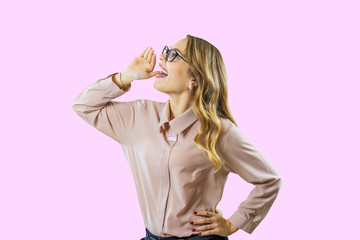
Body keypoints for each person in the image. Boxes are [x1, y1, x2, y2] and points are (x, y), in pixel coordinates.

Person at [72, 34, 282, 240]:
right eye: (165, 51)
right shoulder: (137, 116)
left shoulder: (219, 132)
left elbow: (269, 180)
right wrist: (124, 77)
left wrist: (234, 223)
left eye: (173, 55)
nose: (161, 58)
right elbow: (83, 106)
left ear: (195, 77)